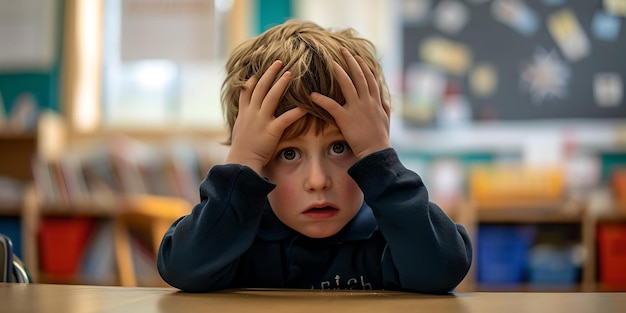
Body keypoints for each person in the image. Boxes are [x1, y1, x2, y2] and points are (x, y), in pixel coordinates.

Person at [157, 20, 472, 294]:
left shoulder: (391, 233)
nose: (318, 181)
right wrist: (241, 162)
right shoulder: (234, 235)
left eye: (340, 148)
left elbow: (443, 268)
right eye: (289, 153)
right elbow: (183, 269)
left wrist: (378, 155)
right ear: (259, 164)